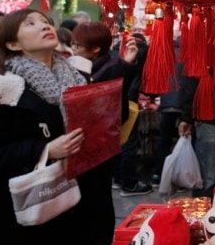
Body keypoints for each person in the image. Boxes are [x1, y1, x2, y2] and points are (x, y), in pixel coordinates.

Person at [0, 9, 88, 245]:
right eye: (30, 24)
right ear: (13, 44)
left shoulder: (78, 79)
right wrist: (45, 150)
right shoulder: (5, 87)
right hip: (19, 216)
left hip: (71, 207)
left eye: (45, 22)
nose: (44, 26)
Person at [70, 21, 141, 244]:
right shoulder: (96, 66)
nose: (73, 49)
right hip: (91, 148)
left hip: (97, 149)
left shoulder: (106, 69)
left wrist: (125, 66)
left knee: (95, 204)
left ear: (95, 49)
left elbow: (115, 109)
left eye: (77, 45)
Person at [151, 38, 199, 187]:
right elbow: (192, 82)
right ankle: (188, 174)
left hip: (168, 102)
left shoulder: (167, 53)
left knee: (164, 139)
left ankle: (158, 174)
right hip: (186, 101)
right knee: (190, 138)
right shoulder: (193, 54)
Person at [111, 32, 153, 196]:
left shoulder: (117, 51)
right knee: (128, 141)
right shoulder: (143, 52)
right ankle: (129, 183)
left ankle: (117, 178)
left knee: (117, 141)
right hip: (130, 101)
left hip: (117, 99)